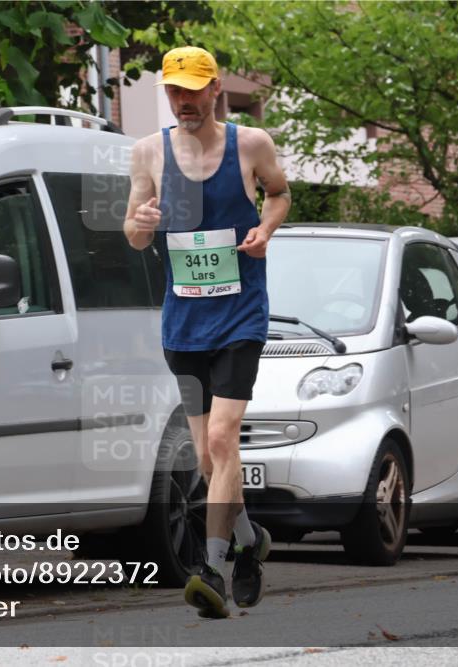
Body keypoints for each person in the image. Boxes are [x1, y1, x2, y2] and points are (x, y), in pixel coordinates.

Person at [123, 46, 291, 619]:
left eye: (194, 90)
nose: (185, 101)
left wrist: (266, 229)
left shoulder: (251, 145)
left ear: (216, 88)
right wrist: (141, 223)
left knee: (223, 440)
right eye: (175, 91)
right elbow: (134, 232)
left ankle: (213, 568)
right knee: (205, 456)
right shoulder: (148, 153)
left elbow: (280, 192)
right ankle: (249, 540)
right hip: (183, 324)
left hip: (240, 317)